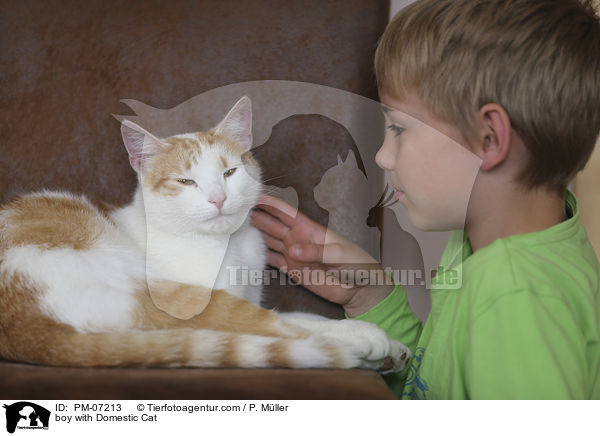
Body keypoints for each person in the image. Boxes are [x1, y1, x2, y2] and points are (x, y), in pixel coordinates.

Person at [251, 0, 600, 399]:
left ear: (489, 139)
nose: (382, 156)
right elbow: (440, 389)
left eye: (398, 128)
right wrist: (370, 294)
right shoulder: (491, 247)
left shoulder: (515, 295)